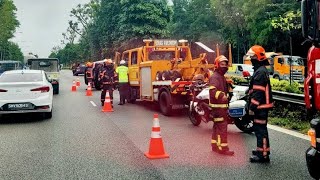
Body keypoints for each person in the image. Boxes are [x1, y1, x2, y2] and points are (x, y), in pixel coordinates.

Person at [246, 45, 273, 163]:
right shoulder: (261, 70)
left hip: (260, 107)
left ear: (257, 58)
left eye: (252, 57)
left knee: (260, 130)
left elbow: (258, 93)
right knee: (259, 129)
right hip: (262, 107)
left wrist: (252, 107)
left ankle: (263, 155)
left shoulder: (260, 72)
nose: (250, 60)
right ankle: (262, 150)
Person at [209, 55, 234, 156]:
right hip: (218, 108)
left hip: (220, 108)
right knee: (222, 128)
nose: (224, 66)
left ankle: (215, 145)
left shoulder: (221, 76)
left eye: (225, 64)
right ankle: (223, 149)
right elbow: (213, 91)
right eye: (222, 64)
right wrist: (222, 96)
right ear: (217, 65)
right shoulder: (215, 77)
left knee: (217, 127)